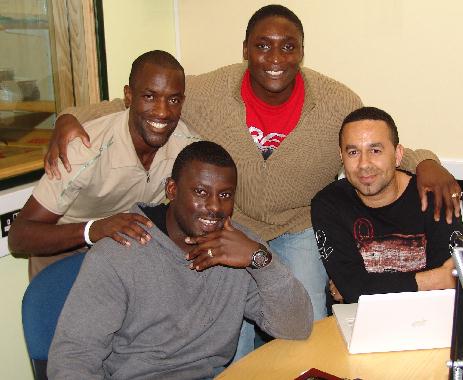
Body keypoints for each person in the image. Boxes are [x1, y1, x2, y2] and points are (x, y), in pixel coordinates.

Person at [42, 5, 461, 323]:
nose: (274, 57)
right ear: (245, 50)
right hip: (231, 226)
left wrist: (429, 163)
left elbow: (373, 137)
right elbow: (131, 104)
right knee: (230, 331)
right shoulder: (207, 92)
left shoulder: (337, 101)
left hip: (297, 229)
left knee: (305, 321)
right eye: (262, 46)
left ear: (301, 51)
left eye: (287, 46)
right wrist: (70, 117)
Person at [47, 141, 313, 380]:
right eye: (200, 192)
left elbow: (296, 327)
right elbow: (73, 361)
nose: (214, 207)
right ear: (172, 189)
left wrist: (261, 260)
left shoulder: (240, 248)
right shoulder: (118, 254)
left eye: (225, 195)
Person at [8, 50, 199, 280]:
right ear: (129, 96)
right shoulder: (84, 150)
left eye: (173, 100)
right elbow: (19, 236)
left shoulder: (187, 149)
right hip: (63, 249)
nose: (162, 111)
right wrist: (93, 230)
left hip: (123, 248)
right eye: (149, 96)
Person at [311, 107, 463, 307]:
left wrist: (365, 287)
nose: (364, 164)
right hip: (360, 318)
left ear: (398, 155)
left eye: (375, 150)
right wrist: (432, 279)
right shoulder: (328, 204)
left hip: (430, 314)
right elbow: (353, 288)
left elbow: (449, 286)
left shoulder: (434, 196)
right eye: (353, 152)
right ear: (341, 156)